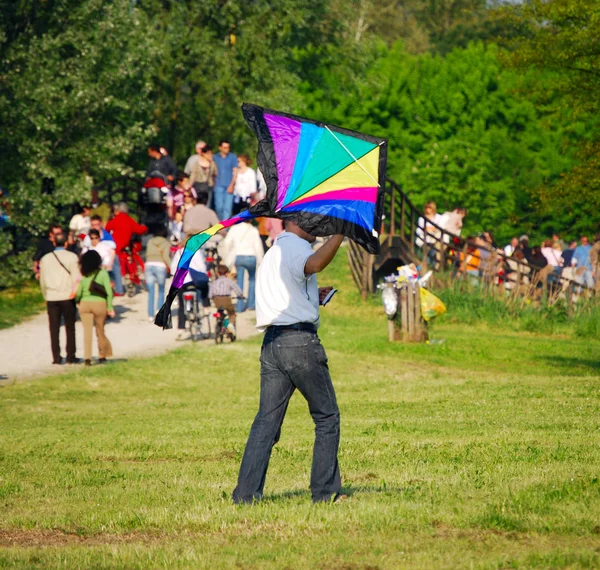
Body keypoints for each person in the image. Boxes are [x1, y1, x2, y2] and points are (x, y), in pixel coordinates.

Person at [232, 222, 345, 504]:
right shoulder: (296, 246)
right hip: (299, 343)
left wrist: (310, 298)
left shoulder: (273, 252)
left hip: (272, 344)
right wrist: (341, 233)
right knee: (326, 416)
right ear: (294, 221)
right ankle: (325, 492)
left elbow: (285, 294)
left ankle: (245, 495)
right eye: (312, 219)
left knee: (266, 424)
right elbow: (316, 263)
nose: (319, 224)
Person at [39, 232, 81, 364]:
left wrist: (45, 294)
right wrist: (76, 294)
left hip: (51, 296)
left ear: (54, 243)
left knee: (54, 328)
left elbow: (43, 280)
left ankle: (56, 357)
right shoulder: (72, 257)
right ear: (66, 243)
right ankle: (71, 355)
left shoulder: (45, 259)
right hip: (67, 295)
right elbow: (76, 278)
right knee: (70, 327)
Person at [75, 250, 114, 366]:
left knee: (87, 332)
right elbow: (109, 291)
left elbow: (79, 292)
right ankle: (102, 355)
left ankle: (87, 358)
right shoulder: (103, 273)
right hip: (100, 304)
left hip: (85, 304)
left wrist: (77, 301)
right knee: (100, 330)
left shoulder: (84, 275)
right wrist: (110, 306)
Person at [221, 219, 264, 312]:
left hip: (239, 256)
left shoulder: (234, 228)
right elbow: (258, 246)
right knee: (252, 279)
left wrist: (227, 254)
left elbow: (226, 242)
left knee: (239, 280)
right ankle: (251, 304)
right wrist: (260, 260)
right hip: (251, 256)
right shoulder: (253, 230)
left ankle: (240, 306)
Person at [171, 243, 209, 339]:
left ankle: (181, 328)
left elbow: (173, 268)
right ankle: (205, 306)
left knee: (181, 305)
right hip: (192, 280)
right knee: (204, 287)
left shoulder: (179, 252)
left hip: (180, 281)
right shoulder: (196, 252)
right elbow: (201, 267)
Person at [145, 227, 171, 322]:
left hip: (149, 264)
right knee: (161, 290)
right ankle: (158, 311)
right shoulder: (166, 243)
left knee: (151, 291)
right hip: (160, 265)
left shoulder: (150, 241)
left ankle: (150, 315)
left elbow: (147, 253)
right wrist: (172, 267)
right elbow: (165, 256)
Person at [213, 140, 238, 221]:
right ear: (220, 148)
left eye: (228, 147)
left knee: (227, 208)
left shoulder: (232, 157)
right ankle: (220, 225)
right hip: (218, 185)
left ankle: (225, 228)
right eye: (224, 147)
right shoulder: (215, 157)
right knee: (218, 207)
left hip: (229, 185)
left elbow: (235, 172)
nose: (227, 149)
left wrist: (232, 185)